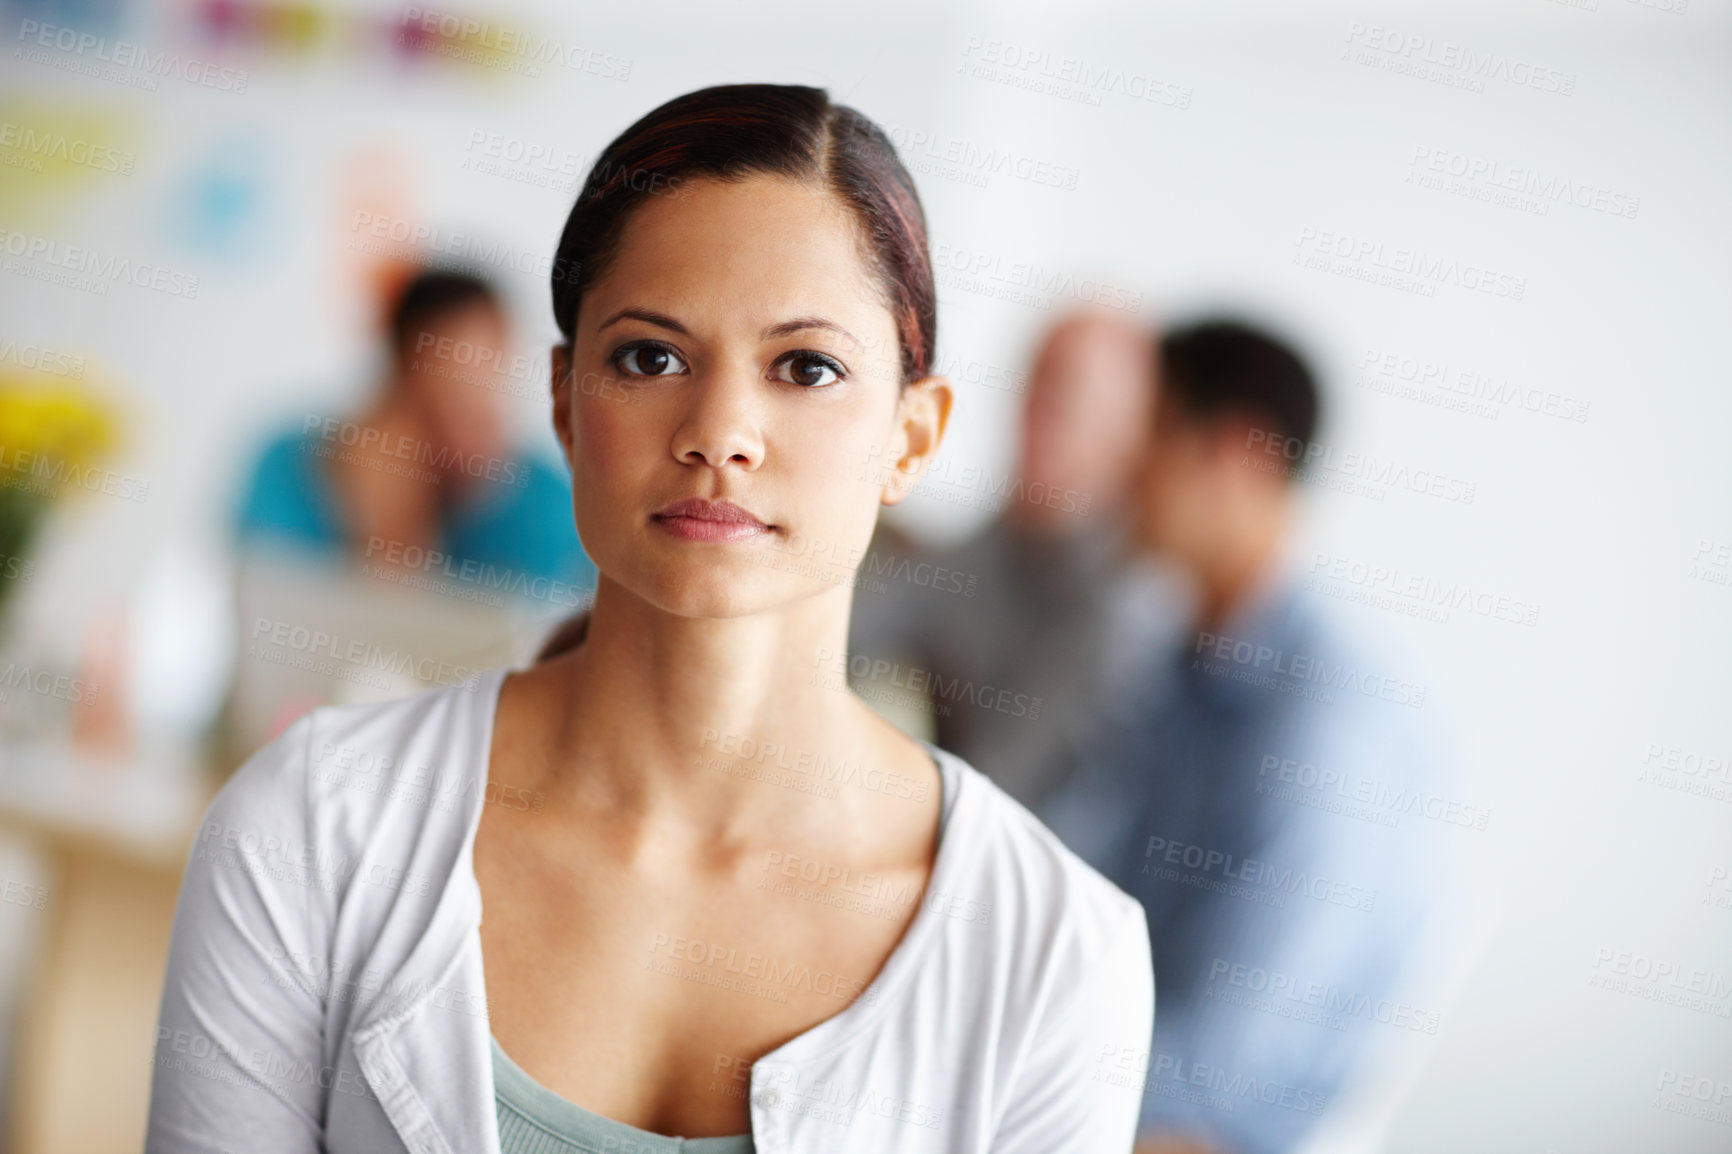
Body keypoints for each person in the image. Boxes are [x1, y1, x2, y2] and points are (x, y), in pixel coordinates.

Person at [147, 85, 1154, 1154]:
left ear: (911, 436)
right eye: (649, 356)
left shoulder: (1057, 949)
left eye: (806, 367)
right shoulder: (311, 830)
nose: (720, 430)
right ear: (565, 402)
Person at [1040, 320, 1440, 1154]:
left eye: (1145, 434)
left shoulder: (1328, 729)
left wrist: (1008, 1063)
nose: (1120, 472)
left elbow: (1226, 1069)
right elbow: (1077, 889)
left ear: (1234, 452)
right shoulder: (1175, 665)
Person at [846, 309, 1178, 808]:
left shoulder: (1130, 602)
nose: (1039, 416)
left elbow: (1002, 790)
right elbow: (836, 643)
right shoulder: (983, 549)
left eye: (1072, 399)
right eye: (1036, 387)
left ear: (1132, 429)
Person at [235, 267, 593, 589]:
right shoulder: (288, 468)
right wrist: (387, 518)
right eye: (450, 400)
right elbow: (264, 605)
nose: (464, 431)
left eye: (482, 397)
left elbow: (539, 639)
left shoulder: (540, 499)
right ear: (395, 378)